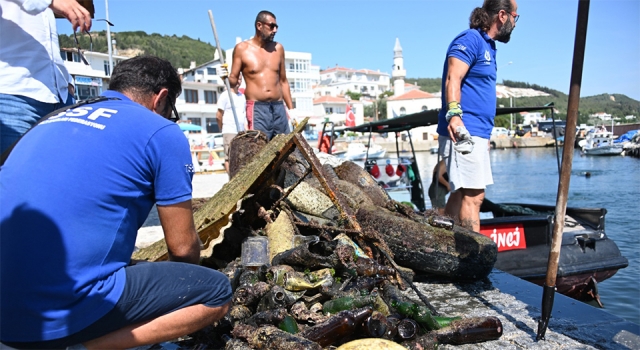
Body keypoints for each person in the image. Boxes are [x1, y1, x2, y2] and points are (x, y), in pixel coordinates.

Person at [0, 56, 232, 349]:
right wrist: (183, 281)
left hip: (5, 308)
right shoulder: (161, 131)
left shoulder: (50, 119)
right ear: (161, 98)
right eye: (170, 110)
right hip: (50, 319)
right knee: (216, 292)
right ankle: (82, 347)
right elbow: (182, 248)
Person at [436, 0, 519, 232]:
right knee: (475, 196)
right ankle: (477, 255)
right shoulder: (470, 40)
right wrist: (454, 116)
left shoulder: (489, 46)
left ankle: (443, 240)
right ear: (502, 15)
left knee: (461, 191)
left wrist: (485, 137)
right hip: (464, 128)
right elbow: (453, 78)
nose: (515, 22)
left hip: (478, 132)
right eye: (515, 16)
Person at [0, 0, 93, 154]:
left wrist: (65, 81)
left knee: (58, 174)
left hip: (60, 98)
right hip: (13, 95)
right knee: (14, 176)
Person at [221, 10, 294, 140]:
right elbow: (233, 80)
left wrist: (292, 110)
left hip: (279, 107)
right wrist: (224, 77)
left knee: (287, 150)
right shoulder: (242, 49)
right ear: (259, 26)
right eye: (271, 26)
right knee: (260, 150)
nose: (275, 30)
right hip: (257, 109)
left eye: (276, 27)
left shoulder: (278, 49)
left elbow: (283, 81)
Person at [216, 74, 247, 173]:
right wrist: (222, 128)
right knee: (229, 157)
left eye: (240, 79)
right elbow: (218, 115)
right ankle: (231, 179)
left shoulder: (242, 96)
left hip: (241, 131)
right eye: (237, 79)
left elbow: (244, 114)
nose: (239, 81)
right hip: (229, 130)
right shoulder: (225, 95)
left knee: (241, 158)